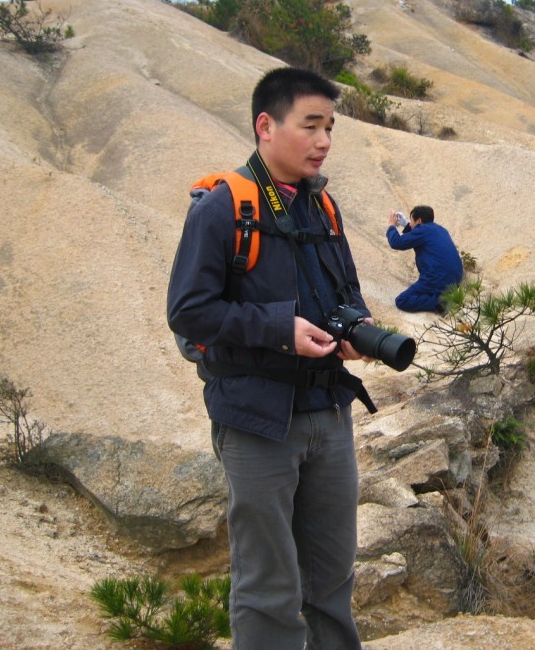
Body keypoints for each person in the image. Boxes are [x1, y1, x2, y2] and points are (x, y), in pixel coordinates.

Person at [167, 67, 369, 650]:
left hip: (329, 415)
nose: (324, 140)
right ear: (266, 126)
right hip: (256, 420)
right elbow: (188, 310)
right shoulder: (224, 207)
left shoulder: (323, 207)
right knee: (268, 589)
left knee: (332, 582)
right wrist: (281, 329)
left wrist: (355, 328)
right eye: (311, 125)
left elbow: (345, 291)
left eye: (329, 127)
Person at [386, 205, 464, 312]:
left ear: (419, 221)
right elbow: (418, 234)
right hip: (456, 278)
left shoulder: (422, 231)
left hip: (437, 278)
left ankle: (440, 303)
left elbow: (396, 242)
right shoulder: (441, 229)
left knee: (403, 300)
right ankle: (444, 294)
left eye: (411, 221)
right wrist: (406, 225)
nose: (410, 223)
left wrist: (391, 226)